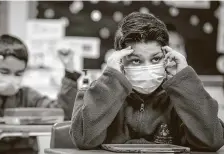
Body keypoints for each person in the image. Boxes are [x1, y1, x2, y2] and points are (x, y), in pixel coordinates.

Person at [70, 12, 224, 152]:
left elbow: (212, 141)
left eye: (155, 59)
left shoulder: (182, 96)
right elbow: (83, 139)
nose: (148, 68)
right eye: (136, 61)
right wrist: (111, 80)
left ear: (166, 56)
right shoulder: (95, 93)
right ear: (120, 61)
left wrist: (184, 80)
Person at [0, 34, 79, 154]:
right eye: (4, 71)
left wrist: (69, 71)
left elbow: (64, 115)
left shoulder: (28, 96)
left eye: (18, 74)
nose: (11, 79)